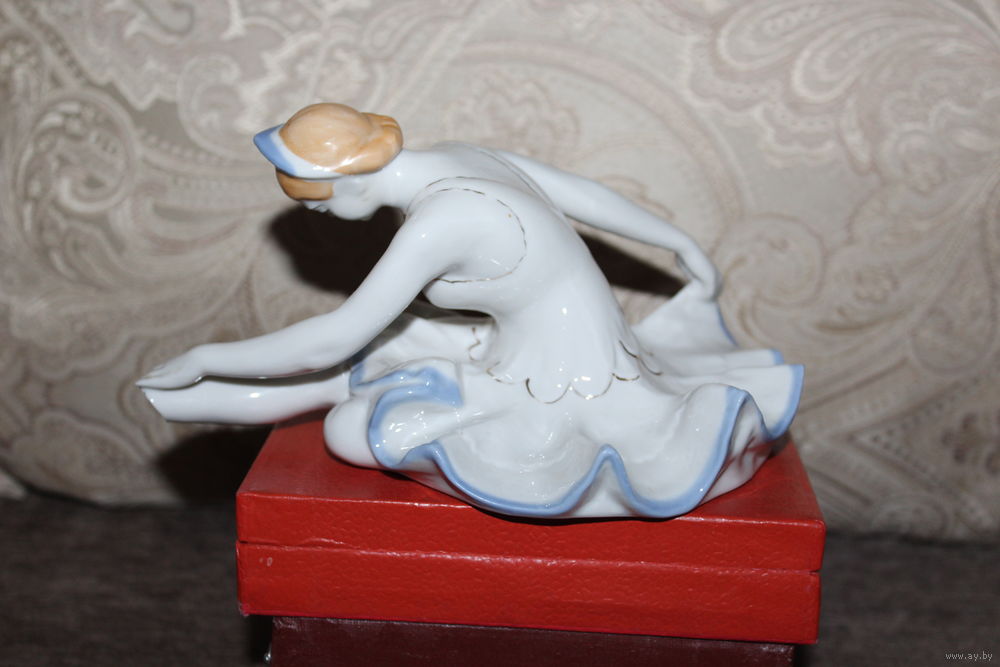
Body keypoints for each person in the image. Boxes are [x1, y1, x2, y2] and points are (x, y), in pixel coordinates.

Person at [139, 103, 802, 519]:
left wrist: (207, 355)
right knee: (376, 369)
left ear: (347, 180)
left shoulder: (443, 219)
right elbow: (584, 196)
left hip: (563, 377)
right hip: (504, 343)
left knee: (351, 423)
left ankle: (204, 395)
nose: (318, 215)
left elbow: (332, 338)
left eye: (316, 202)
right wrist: (677, 242)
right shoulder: (457, 157)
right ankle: (204, 401)